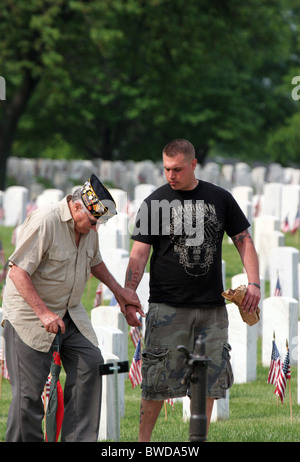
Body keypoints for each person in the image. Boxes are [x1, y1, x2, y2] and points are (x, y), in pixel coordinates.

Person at [125, 139, 261, 442]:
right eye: (166, 169)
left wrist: (253, 282)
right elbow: (139, 254)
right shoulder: (155, 202)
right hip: (167, 306)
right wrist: (128, 294)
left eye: (177, 169)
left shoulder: (219, 198)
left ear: (193, 164)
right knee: (156, 380)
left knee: (210, 379)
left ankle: (197, 441)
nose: (171, 175)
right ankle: (142, 442)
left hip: (211, 308)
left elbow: (243, 239)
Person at [2, 173, 143, 442]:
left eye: (98, 224)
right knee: (28, 396)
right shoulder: (47, 221)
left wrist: (120, 293)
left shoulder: (87, 227)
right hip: (29, 316)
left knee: (90, 364)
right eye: (92, 222)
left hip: (69, 314)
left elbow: (95, 261)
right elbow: (17, 272)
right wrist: (43, 312)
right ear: (77, 206)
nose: (94, 229)